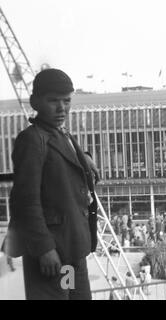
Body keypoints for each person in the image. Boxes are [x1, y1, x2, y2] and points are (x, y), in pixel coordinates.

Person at [0, 69, 98, 300]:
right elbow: (26, 201)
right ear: (35, 102)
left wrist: (85, 157)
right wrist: (44, 249)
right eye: (53, 100)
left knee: (75, 297)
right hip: (51, 252)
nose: (61, 107)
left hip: (71, 249)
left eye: (66, 100)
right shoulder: (32, 140)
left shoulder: (61, 134)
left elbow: (62, 157)